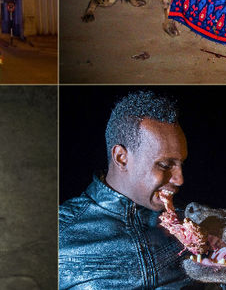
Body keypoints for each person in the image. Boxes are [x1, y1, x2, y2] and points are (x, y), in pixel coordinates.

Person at [59, 91, 198, 289]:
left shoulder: (191, 225)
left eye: (181, 164)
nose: (180, 179)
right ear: (121, 157)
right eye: (165, 165)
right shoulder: (61, 235)